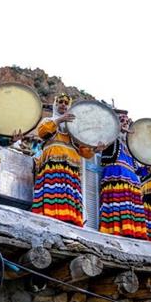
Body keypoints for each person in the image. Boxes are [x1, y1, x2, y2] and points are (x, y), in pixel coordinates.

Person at [31, 93, 102, 226]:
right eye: (60, 102)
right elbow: (42, 132)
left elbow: (84, 151)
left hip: (71, 166)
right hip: (52, 163)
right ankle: (48, 216)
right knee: (52, 190)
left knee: (69, 193)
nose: (63, 104)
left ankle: (70, 219)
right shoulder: (48, 121)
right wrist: (59, 120)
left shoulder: (75, 129)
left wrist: (95, 150)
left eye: (65, 103)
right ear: (55, 104)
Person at [98, 112, 147, 239]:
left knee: (131, 207)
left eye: (127, 121)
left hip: (131, 178)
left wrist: (150, 167)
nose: (125, 123)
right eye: (121, 120)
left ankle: (133, 232)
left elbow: (138, 170)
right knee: (117, 204)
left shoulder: (130, 147)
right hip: (116, 173)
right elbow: (103, 149)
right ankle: (115, 231)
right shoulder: (111, 137)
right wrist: (117, 129)